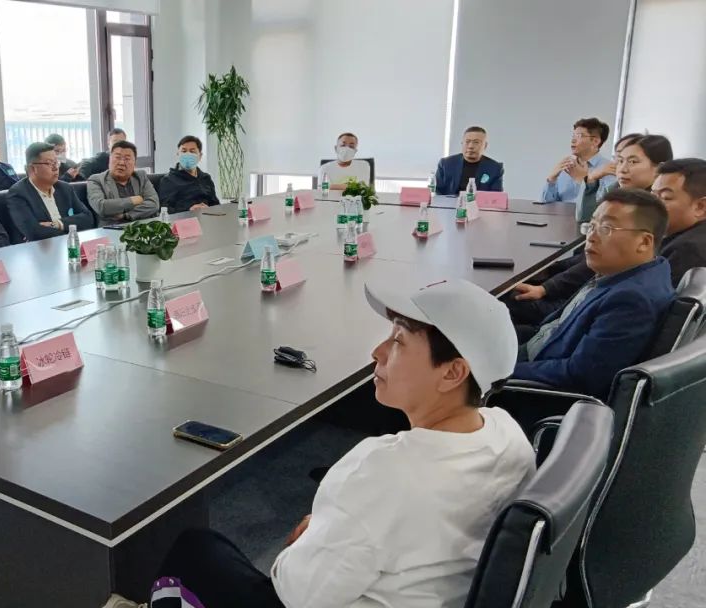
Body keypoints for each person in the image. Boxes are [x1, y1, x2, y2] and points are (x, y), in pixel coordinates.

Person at [110, 279, 534, 608]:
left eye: (399, 341)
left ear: (453, 372)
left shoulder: (384, 470)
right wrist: (338, 524)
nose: (378, 351)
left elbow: (297, 590)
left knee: (195, 549)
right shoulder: (507, 433)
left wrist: (317, 534)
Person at [514, 188, 674, 400]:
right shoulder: (625, 271)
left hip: (536, 384)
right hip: (541, 346)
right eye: (591, 226)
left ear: (644, 242)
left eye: (606, 228)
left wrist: (499, 371)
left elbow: (580, 376)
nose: (591, 237)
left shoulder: (632, 300)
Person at [509, 135, 674, 327]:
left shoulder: (646, 213)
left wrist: (546, 288)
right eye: (619, 160)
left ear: (659, 169)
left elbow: (594, 261)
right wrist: (590, 180)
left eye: (632, 162)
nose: (622, 168)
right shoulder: (619, 191)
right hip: (578, 295)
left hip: (579, 297)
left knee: (505, 303)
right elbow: (586, 221)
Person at [8, 142, 96, 241]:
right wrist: (70, 231)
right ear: (33, 168)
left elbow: (88, 218)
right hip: (40, 248)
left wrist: (57, 224)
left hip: (70, 244)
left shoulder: (65, 188)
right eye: (49, 163)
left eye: (56, 162)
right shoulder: (18, 193)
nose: (55, 168)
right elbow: (34, 232)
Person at [540, 117, 617, 221]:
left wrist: (583, 180)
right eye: (573, 136)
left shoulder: (608, 169)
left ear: (595, 141)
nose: (573, 140)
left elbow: (604, 207)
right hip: (559, 223)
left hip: (589, 225)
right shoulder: (566, 166)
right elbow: (546, 206)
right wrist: (551, 180)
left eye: (579, 136)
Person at [86, 141, 160, 223]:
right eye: (117, 157)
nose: (121, 163)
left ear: (134, 163)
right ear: (110, 159)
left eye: (127, 159)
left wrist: (126, 215)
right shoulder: (96, 180)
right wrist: (132, 201)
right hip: (112, 228)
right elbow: (101, 207)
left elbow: (154, 204)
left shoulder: (141, 176)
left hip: (142, 227)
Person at [157, 135, 221, 213]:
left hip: (208, 217)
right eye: (184, 151)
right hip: (184, 218)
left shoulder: (206, 178)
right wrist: (189, 210)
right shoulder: (168, 180)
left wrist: (210, 210)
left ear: (200, 156)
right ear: (178, 154)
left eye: (192, 151)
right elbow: (165, 209)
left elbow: (215, 204)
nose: (187, 154)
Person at [433, 126, 504, 195]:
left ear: (485, 146)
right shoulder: (446, 164)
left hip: (479, 203)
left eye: (476, 142)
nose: (470, 146)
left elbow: (496, 196)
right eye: (467, 142)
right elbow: (437, 192)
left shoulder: (495, 168)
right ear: (462, 143)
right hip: (449, 202)